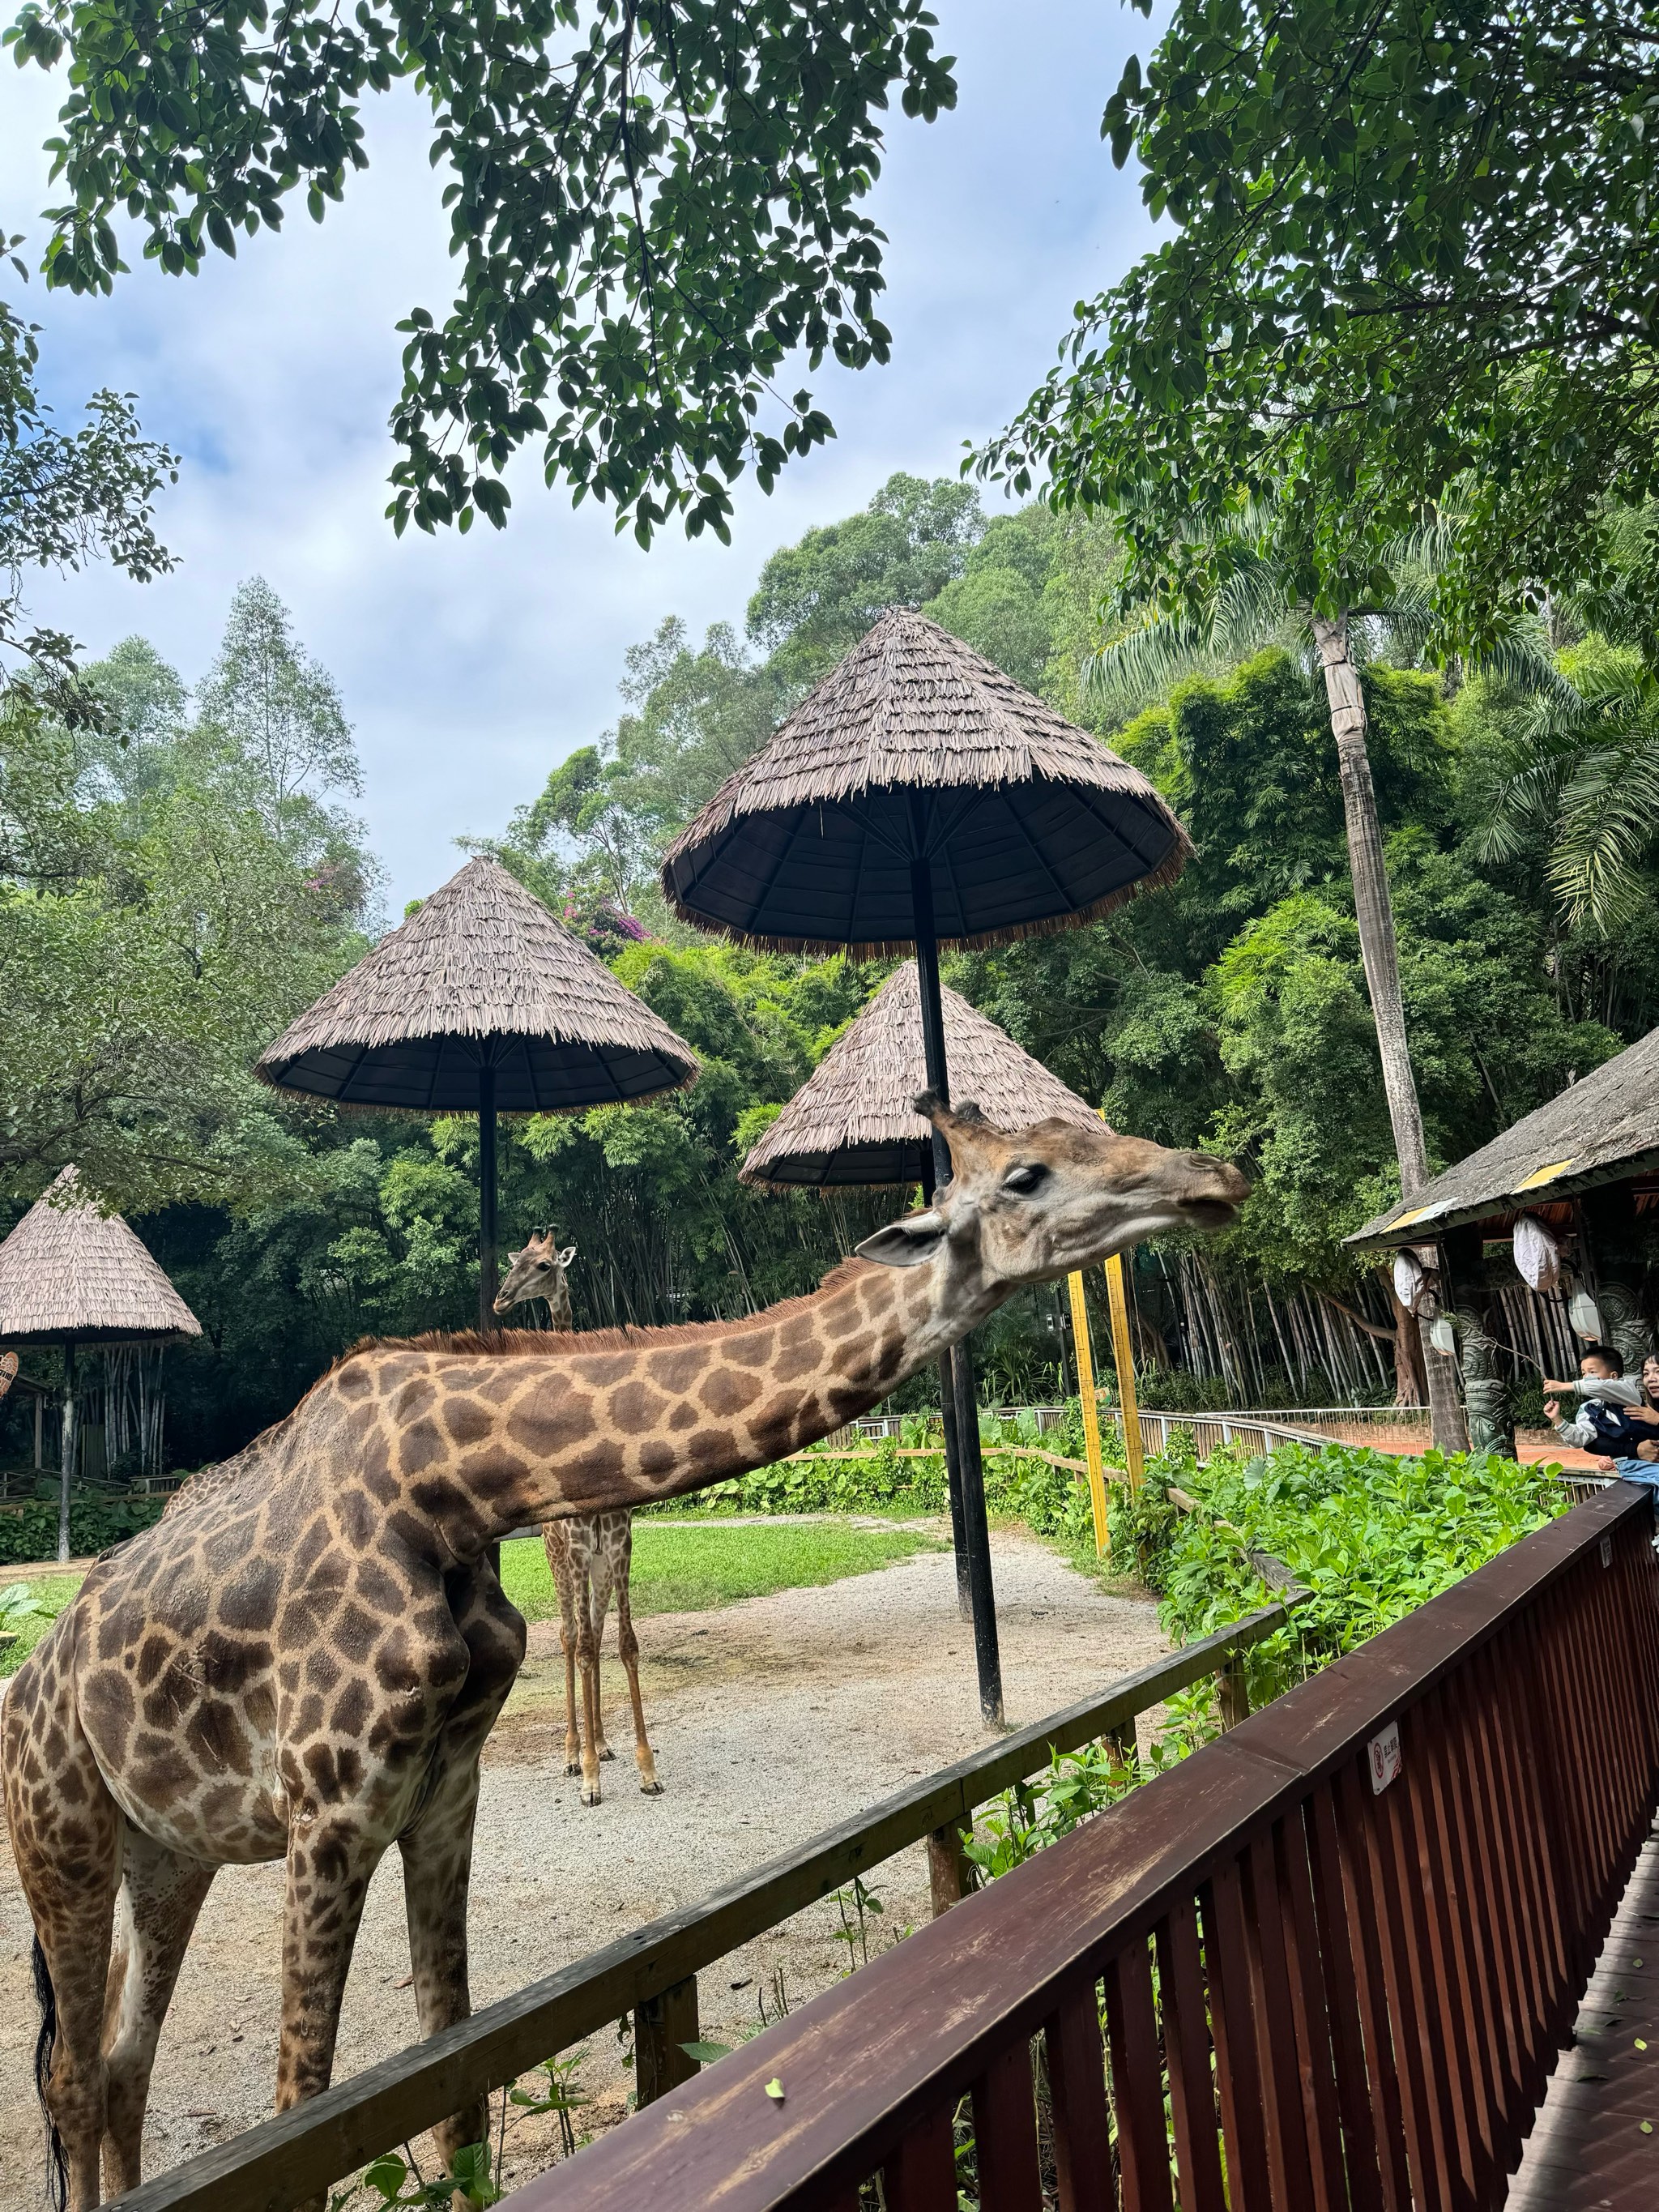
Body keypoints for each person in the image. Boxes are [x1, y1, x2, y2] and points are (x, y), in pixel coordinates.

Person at [1544, 1343, 1656, 1458]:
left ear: (1614, 1376)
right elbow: (1579, 1439)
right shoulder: (1589, 1408)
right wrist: (1557, 1419)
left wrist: (1564, 1386)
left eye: (1592, 1372)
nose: (1586, 1377)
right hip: (1627, 1464)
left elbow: (1600, 1386)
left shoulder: (1627, 1390)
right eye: (1583, 1373)